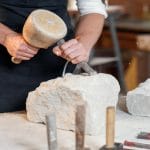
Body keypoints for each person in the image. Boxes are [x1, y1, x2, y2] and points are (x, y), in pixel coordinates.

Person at [0, 0, 107, 112]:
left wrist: (83, 44)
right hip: (4, 63)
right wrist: (6, 37)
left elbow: (93, 9)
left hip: (54, 61)